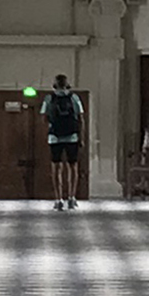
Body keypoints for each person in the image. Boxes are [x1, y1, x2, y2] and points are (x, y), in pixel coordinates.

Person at [44, 73, 86, 210]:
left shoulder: (49, 98)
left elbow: (44, 118)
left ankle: (58, 198)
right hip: (72, 136)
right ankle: (72, 197)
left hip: (54, 137)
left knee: (56, 168)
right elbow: (81, 118)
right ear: (67, 84)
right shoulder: (74, 98)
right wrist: (82, 137)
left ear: (55, 84)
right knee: (73, 167)